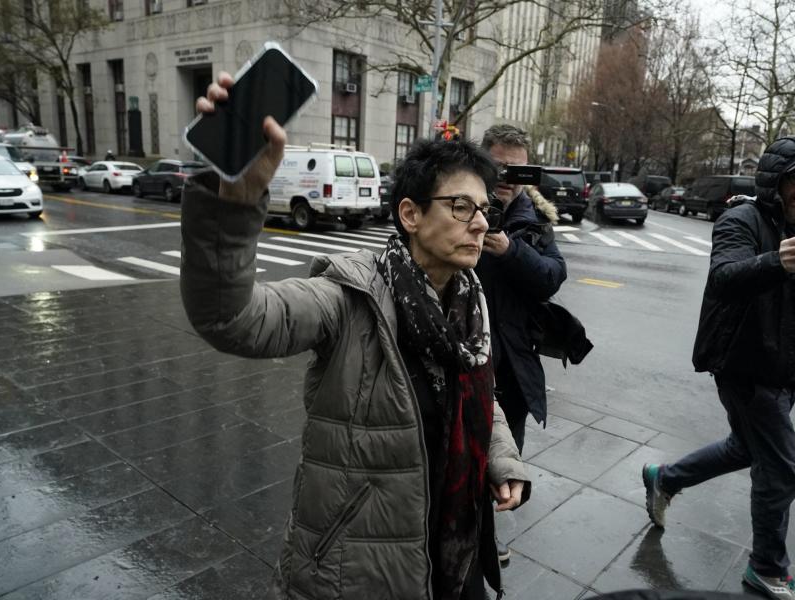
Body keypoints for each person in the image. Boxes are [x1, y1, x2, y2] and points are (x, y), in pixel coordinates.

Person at [181, 72, 530, 600]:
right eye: (461, 207)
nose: (480, 224)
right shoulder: (348, 295)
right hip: (360, 565)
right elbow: (233, 320)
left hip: (456, 553)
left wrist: (501, 458)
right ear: (410, 214)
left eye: (484, 209)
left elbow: (480, 392)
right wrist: (233, 206)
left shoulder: (468, 297)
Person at [641, 136, 795, 600]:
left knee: (745, 448)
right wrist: (775, 262)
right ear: (775, 181)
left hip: (784, 372)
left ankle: (665, 478)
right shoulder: (741, 220)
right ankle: (767, 570)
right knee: (780, 472)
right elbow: (724, 277)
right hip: (745, 365)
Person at [476, 124, 565, 566]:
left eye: (518, 168)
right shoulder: (464, 205)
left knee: (506, 455)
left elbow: (552, 277)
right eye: (499, 165)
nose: (508, 176)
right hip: (465, 349)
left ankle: (485, 530)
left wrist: (510, 250)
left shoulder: (537, 219)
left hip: (513, 364)